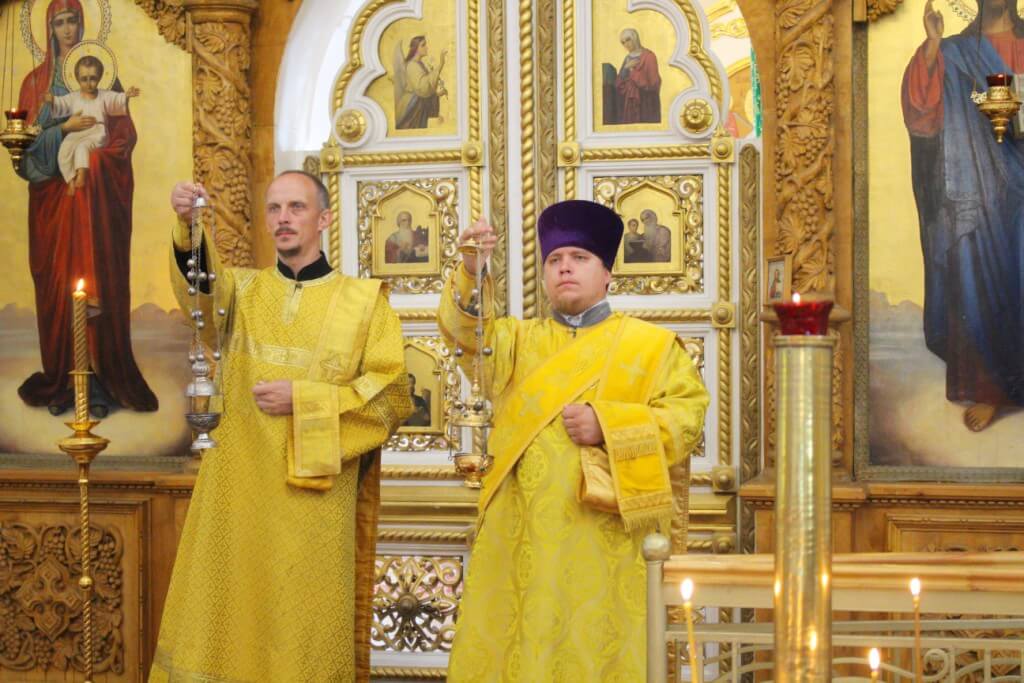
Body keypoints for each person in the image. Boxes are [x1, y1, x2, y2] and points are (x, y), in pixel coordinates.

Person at [150, 171, 413, 682]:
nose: (283, 218)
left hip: (314, 502)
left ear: (324, 218)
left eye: (296, 207)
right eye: (274, 208)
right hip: (238, 494)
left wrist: (306, 399)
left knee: (302, 630)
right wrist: (188, 227)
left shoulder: (364, 302)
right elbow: (200, 298)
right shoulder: (242, 292)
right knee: (233, 620)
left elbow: (391, 397)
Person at [440, 200, 709, 680]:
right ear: (545, 276)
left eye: (579, 258)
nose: (564, 267)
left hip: (608, 542)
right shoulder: (515, 342)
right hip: (523, 537)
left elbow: (686, 420)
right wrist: (470, 268)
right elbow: (465, 336)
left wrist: (607, 424)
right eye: (554, 260)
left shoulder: (651, 347)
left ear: (606, 274)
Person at [16, 0, 156, 416]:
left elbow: (123, 138)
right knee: (58, 286)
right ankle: (63, 380)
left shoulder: (106, 77)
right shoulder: (35, 84)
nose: (67, 29)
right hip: (54, 207)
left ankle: (102, 379)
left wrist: (93, 162)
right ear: (48, 28)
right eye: (59, 22)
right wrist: (63, 129)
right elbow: (26, 151)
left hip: (95, 208)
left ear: (83, 23)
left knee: (99, 284)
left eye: (72, 20)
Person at [901, 0, 1024, 431]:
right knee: (978, 276)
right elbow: (922, 116)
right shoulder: (953, 53)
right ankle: (994, 389)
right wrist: (932, 46)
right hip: (975, 190)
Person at [47, 55, 140, 195]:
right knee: (63, 151)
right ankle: (70, 180)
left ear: (100, 78)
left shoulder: (104, 95)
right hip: (77, 132)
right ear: (77, 79)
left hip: (97, 132)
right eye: (84, 79)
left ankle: (81, 176)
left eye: (93, 78)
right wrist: (52, 101)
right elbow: (62, 104)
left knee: (82, 147)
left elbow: (116, 100)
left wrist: (126, 96)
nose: (89, 83)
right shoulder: (74, 97)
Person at [393, 35, 448, 130]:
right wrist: (441, 64)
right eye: (423, 45)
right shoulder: (412, 65)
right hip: (412, 107)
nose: (426, 47)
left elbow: (425, 88)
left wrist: (438, 94)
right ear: (416, 49)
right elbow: (423, 87)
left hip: (419, 105)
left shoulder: (419, 64)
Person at [615, 28, 661, 124]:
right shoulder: (627, 58)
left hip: (645, 101)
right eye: (623, 42)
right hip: (630, 101)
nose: (626, 44)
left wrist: (632, 71)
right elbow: (619, 83)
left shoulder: (649, 56)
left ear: (635, 38)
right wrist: (626, 68)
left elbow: (654, 83)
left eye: (628, 40)